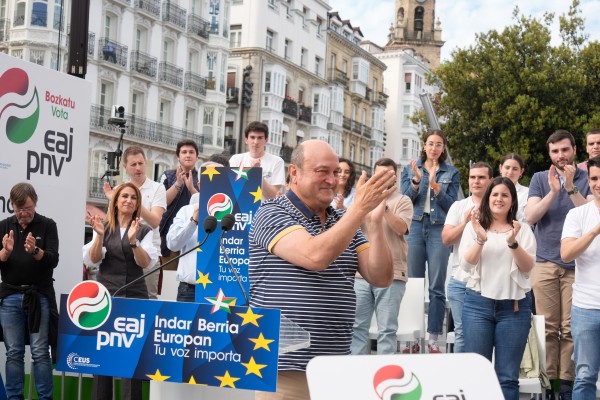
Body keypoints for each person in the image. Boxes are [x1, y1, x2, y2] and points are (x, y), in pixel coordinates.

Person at [249, 140, 396, 399]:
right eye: (322, 171)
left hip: (334, 367)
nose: (333, 180)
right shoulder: (271, 212)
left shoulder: (342, 221)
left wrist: (374, 223)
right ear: (294, 173)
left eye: (336, 172)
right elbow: (314, 255)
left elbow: (380, 276)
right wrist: (359, 209)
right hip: (285, 370)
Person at [525, 129, 592, 400]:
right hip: (544, 262)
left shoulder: (588, 179)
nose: (560, 156)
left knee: (572, 327)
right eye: (555, 151)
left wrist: (571, 188)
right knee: (548, 327)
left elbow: (590, 216)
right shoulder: (540, 179)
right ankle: (550, 385)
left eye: (565, 150)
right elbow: (530, 216)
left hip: (579, 265)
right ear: (549, 154)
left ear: (575, 150)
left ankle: (566, 384)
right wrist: (553, 193)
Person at [460, 177, 536, 399]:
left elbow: (527, 267)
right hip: (477, 306)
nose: (499, 199)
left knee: (507, 378)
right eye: (494, 194)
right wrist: (481, 240)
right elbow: (466, 264)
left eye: (505, 195)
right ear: (487, 198)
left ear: (512, 201)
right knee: (477, 375)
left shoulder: (522, 230)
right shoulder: (474, 227)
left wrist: (512, 243)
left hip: (514, 309)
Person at [83, 182, 158, 400]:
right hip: (106, 299)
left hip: (134, 298)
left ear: (137, 204)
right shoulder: (104, 227)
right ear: (115, 201)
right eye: (124, 196)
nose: (128, 200)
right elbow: (94, 259)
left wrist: (133, 242)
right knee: (103, 357)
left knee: (131, 359)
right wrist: (98, 236)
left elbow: (146, 263)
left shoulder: (144, 230)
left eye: (133, 198)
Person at [400, 129, 461, 353]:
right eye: (430, 143)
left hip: (438, 228)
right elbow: (405, 200)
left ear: (443, 148)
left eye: (438, 144)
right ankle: (413, 339)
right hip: (415, 226)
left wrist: (435, 186)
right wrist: (417, 181)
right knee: (414, 284)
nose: (434, 148)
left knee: (436, 285)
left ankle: (434, 338)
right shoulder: (410, 169)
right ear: (423, 146)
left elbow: (452, 205)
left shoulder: (451, 172)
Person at [0, 183, 59, 400]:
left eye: (28, 208)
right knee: (13, 352)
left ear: (35, 202)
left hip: (39, 296)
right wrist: (5, 252)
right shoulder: (4, 226)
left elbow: (53, 260)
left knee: (40, 352)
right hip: (9, 297)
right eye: (19, 209)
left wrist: (36, 251)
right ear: (12, 205)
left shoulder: (47, 225)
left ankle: (45, 398)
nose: (23, 213)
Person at [351, 158, 413, 355]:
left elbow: (401, 229)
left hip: (392, 274)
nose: (384, 178)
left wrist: (384, 205)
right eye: (380, 174)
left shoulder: (403, 201)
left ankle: (385, 381)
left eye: (389, 174)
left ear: (395, 177)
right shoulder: (363, 201)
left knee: (386, 330)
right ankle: (357, 375)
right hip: (361, 273)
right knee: (357, 328)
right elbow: (351, 226)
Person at [442, 161, 493, 353]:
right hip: (461, 279)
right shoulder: (458, 206)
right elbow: (446, 239)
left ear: (490, 180)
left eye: (481, 177)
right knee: (462, 333)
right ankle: (460, 380)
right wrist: (465, 222)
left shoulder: (498, 204)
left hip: (490, 280)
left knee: (485, 334)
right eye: (472, 177)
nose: (476, 181)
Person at [560, 155, 600, 400]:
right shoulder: (578, 215)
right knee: (585, 375)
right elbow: (566, 254)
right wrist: (595, 230)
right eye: (594, 178)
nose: (598, 184)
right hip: (586, 307)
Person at [103, 146, 166, 299]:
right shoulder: (119, 189)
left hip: (148, 254)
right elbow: (110, 223)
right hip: (119, 255)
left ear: (146, 163)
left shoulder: (157, 188)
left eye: (141, 163)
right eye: (133, 164)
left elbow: (155, 221)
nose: (138, 168)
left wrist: (134, 202)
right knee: (119, 300)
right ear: (125, 167)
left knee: (146, 301)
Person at [166, 160, 224, 302]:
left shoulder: (238, 214)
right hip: (189, 291)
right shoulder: (186, 211)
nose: (214, 185)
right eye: (209, 180)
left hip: (223, 291)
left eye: (219, 180)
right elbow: (172, 245)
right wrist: (193, 221)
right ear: (199, 185)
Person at [158, 139, 199, 260]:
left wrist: (191, 188)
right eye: (184, 152)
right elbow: (161, 203)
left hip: (193, 235)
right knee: (167, 276)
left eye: (191, 152)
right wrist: (178, 183)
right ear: (178, 156)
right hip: (169, 235)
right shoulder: (167, 175)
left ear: (197, 156)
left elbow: (206, 206)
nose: (187, 155)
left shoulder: (204, 177)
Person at [229, 121, 285, 200]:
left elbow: (274, 196)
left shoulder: (277, 161)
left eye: (260, 138)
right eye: (252, 137)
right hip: (242, 209)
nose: (256, 142)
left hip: (265, 210)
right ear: (246, 140)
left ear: (266, 140)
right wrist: (251, 173)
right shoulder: (236, 159)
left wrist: (257, 173)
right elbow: (232, 190)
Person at [499, 153, 529, 222]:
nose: (510, 172)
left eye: (515, 169)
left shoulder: (527, 193)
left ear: (521, 171)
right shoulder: (491, 191)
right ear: (500, 168)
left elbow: (528, 220)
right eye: (507, 167)